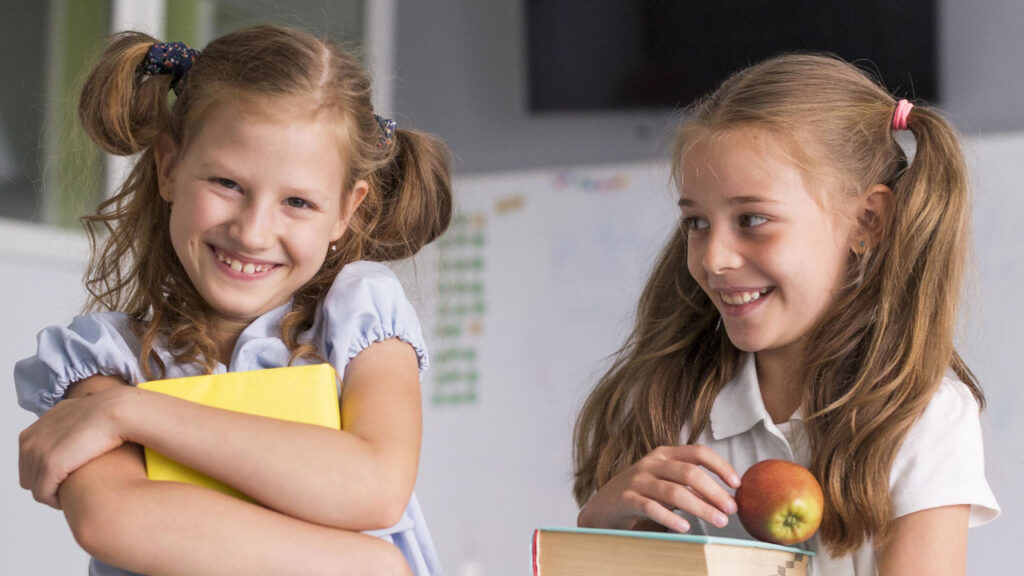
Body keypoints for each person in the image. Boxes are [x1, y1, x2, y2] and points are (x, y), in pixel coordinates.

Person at [15, 24, 451, 576]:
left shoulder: (360, 311)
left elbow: (373, 487)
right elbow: (112, 519)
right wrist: (366, 563)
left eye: (297, 201)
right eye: (226, 183)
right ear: (170, 167)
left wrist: (130, 411)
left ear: (347, 209)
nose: (252, 231)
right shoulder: (103, 359)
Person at [571, 54, 999, 575]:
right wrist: (599, 527)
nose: (713, 258)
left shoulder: (921, 418)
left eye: (752, 219)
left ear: (868, 221)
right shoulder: (666, 405)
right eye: (697, 223)